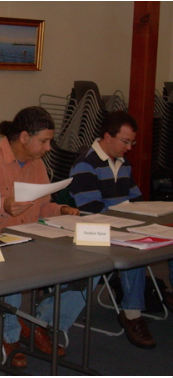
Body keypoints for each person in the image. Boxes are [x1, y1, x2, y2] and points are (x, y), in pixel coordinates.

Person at [0, 106, 88, 368]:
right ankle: (10, 337)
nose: (48, 147)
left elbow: (42, 209)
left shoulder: (36, 164)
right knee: (14, 273)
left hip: (29, 239)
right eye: (44, 141)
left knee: (85, 267)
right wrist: (3, 206)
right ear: (24, 137)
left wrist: (62, 210)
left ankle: (40, 324)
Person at [69, 110, 159, 349]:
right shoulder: (85, 164)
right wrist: (128, 217)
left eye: (132, 142)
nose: (129, 148)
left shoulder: (123, 163)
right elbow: (91, 210)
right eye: (126, 142)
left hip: (121, 226)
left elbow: (137, 201)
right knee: (134, 250)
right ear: (108, 136)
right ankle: (132, 315)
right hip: (93, 232)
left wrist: (142, 217)